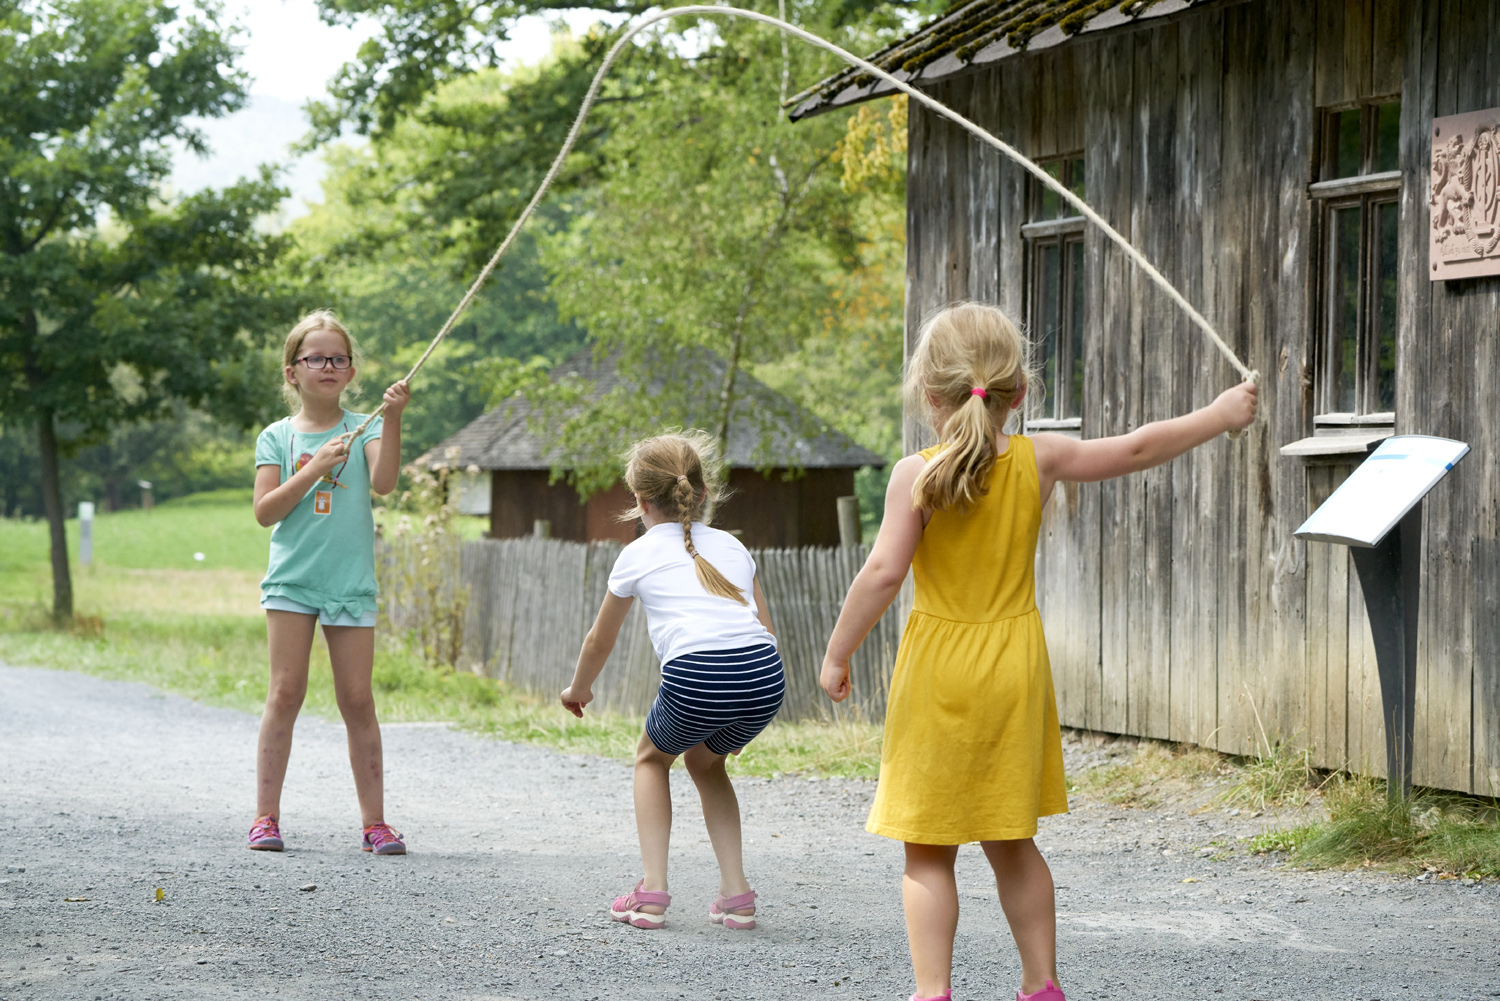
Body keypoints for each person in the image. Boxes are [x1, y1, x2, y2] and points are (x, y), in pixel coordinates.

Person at [820, 302, 1257, 1001]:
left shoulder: (915, 474)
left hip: (937, 671)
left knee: (928, 851)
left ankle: (932, 991)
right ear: (1018, 391)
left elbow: (881, 573)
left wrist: (838, 654)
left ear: (929, 396)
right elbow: (1138, 447)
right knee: (1011, 841)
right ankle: (1040, 983)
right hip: (1014, 668)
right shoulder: (1039, 457)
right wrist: (1219, 413)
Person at [561, 431, 784, 931]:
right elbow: (764, 629)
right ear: (703, 494)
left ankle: (653, 892)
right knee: (707, 764)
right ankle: (737, 895)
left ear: (640, 501)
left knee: (650, 758)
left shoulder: (638, 553)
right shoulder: (732, 546)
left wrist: (579, 689)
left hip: (698, 676)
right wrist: (744, 707)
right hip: (763, 678)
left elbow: (600, 639)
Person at [247, 309, 412, 856]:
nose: (328, 366)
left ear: (351, 370)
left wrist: (393, 420)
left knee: (358, 699)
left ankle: (376, 824)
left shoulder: (362, 427)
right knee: (285, 692)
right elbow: (266, 511)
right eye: (315, 357)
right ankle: (265, 817)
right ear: (293, 371)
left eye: (338, 358)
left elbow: (385, 483)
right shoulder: (276, 437)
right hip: (293, 583)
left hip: (349, 584)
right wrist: (314, 467)